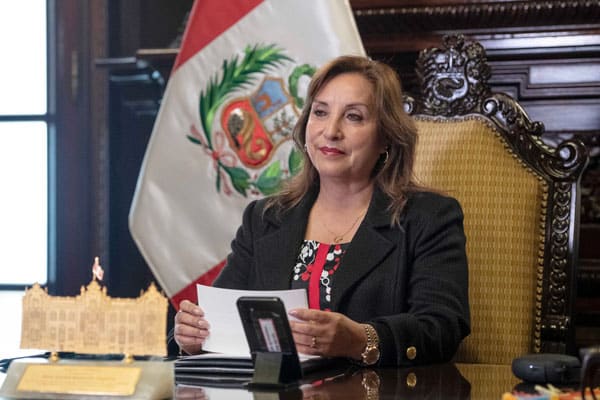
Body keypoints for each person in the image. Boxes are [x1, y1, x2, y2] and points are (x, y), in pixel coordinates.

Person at [174, 55, 470, 367]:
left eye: (353, 117)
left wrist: (361, 339)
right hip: (274, 387)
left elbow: (443, 326)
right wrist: (193, 336)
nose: (331, 131)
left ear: (386, 137)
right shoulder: (265, 218)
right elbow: (220, 317)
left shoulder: (428, 217)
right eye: (320, 112)